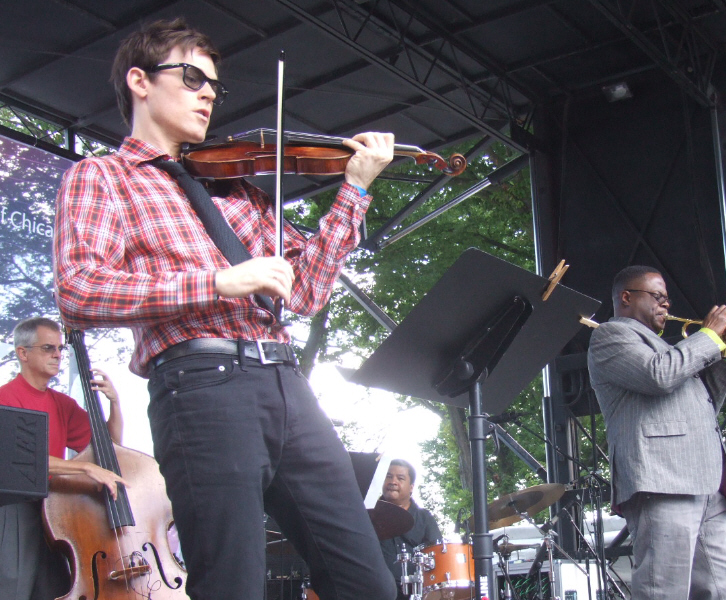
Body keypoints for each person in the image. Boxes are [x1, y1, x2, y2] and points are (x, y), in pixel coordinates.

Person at [53, 18, 397, 600]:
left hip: (287, 383)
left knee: (368, 583)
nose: (208, 93)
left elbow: (306, 292)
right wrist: (216, 282)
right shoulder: (102, 177)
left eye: (214, 85)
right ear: (140, 80)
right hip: (201, 386)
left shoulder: (239, 188)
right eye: (191, 78)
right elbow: (79, 291)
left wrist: (355, 191)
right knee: (233, 584)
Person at [586, 265, 726, 599]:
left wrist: (720, 356)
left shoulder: (675, 353)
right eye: (658, 297)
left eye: (667, 300)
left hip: (706, 482)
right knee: (664, 591)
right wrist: (708, 338)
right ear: (627, 297)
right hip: (662, 480)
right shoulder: (611, 335)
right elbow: (658, 377)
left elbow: (700, 407)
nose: (666, 306)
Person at [0, 317, 125, 600]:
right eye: (48, 348)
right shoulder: (4, 398)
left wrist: (114, 403)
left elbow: (111, 446)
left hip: (54, 512)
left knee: (54, 591)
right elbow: (18, 460)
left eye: (59, 349)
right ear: (23, 353)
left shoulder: (62, 404)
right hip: (15, 509)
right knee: (12, 589)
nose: (57, 354)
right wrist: (84, 466)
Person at [378, 459, 442, 600]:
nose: (393, 481)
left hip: (415, 594)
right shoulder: (368, 514)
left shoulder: (424, 518)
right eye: (388, 476)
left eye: (400, 478)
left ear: (411, 486)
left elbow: (437, 556)